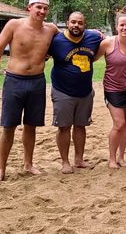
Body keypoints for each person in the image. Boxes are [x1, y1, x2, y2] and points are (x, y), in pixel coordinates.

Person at [0, 0, 59, 183]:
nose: (42, 11)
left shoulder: (51, 30)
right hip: (14, 81)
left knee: (31, 125)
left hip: (37, 82)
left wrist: (96, 34)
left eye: (45, 8)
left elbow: (73, 37)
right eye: (38, 7)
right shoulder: (14, 25)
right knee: (8, 126)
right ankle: (1, 169)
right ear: (29, 7)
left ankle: (28, 163)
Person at [48, 11, 102, 174]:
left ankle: (79, 159)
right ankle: (65, 162)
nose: (76, 25)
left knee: (81, 126)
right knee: (64, 127)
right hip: (62, 91)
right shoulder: (56, 41)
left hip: (85, 91)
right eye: (73, 22)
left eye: (79, 23)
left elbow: (112, 42)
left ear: (85, 25)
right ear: (67, 22)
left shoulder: (94, 37)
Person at [95, 5, 126, 169]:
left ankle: (122, 156)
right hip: (112, 88)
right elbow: (90, 58)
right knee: (119, 124)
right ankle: (112, 158)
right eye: (121, 25)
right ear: (116, 27)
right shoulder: (107, 43)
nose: (124, 27)